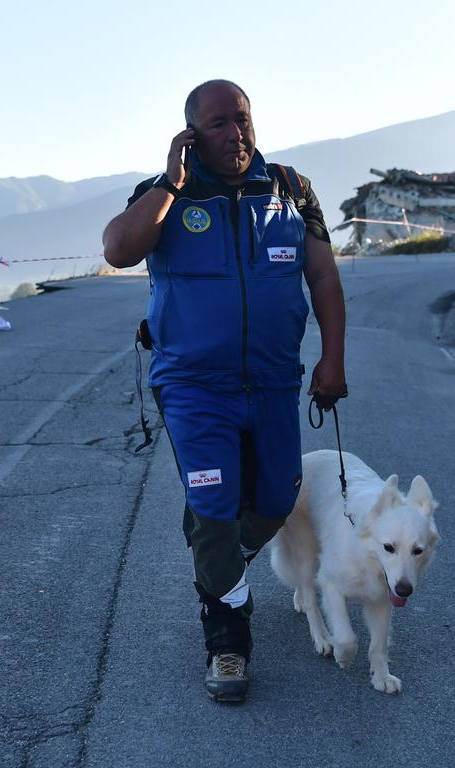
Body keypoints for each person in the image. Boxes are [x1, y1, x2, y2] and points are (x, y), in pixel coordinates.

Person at [102, 79, 346, 703]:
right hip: (192, 386)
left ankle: (219, 556)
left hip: (271, 381)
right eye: (217, 124)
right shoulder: (163, 197)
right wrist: (170, 184)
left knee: (273, 499)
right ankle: (228, 642)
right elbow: (119, 250)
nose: (234, 132)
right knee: (214, 508)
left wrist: (332, 360)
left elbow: (322, 276)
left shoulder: (290, 190)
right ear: (191, 134)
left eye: (241, 118)